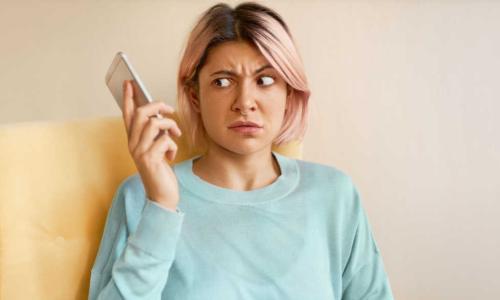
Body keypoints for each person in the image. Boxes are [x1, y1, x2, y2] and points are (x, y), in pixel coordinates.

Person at [88, 2, 394, 299]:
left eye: (265, 80)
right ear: (195, 96)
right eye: (222, 82)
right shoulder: (140, 196)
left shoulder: (334, 194)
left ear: (289, 93)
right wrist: (162, 207)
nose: (245, 101)